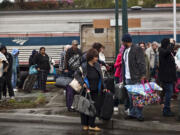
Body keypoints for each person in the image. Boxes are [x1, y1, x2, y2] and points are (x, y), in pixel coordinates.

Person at [74, 48, 106, 131]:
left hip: (95, 90)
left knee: (93, 108)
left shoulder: (97, 65)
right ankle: (85, 124)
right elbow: (76, 74)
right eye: (96, 57)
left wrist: (104, 86)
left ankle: (92, 125)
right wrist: (82, 83)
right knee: (84, 107)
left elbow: (101, 77)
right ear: (91, 57)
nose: (97, 58)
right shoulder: (84, 66)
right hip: (86, 90)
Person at [122, 34, 146, 121]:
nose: (122, 43)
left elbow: (141, 62)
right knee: (130, 97)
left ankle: (139, 114)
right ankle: (132, 113)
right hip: (127, 78)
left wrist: (143, 74)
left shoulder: (137, 49)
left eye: (123, 41)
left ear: (126, 41)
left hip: (136, 77)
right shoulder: (125, 50)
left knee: (137, 97)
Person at [158, 38, 176, 117]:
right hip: (166, 77)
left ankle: (166, 109)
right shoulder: (162, 50)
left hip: (169, 76)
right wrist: (171, 44)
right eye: (169, 43)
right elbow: (167, 52)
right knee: (169, 93)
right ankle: (166, 110)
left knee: (167, 92)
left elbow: (171, 53)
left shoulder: (166, 51)